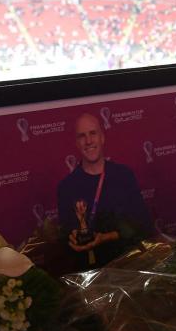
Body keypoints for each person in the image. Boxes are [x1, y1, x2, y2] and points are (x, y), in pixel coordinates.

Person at [57, 112, 151, 269]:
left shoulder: (124, 175)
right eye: (82, 136)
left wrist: (107, 237)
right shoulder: (66, 187)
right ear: (76, 143)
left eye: (93, 133)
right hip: (88, 272)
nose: (88, 141)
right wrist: (72, 239)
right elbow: (65, 237)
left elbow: (143, 224)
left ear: (102, 137)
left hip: (130, 266)